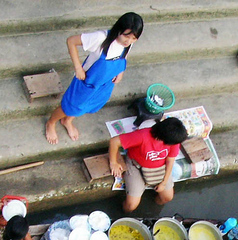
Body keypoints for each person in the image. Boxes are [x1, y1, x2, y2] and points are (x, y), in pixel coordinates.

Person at [45, 12, 144, 144]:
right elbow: (71, 41)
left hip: (106, 83)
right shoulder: (101, 38)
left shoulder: (128, 44)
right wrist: (78, 68)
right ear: (118, 29)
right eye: (126, 36)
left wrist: (121, 72)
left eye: (133, 38)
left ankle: (67, 120)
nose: (129, 41)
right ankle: (51, 123)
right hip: (87, 82)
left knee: (87, 106)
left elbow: (124, 56)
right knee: (70, 106)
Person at [108, 117, 189, 212]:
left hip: (159, 169)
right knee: (131, 206)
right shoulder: (142, 136)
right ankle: (123, 212)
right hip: (136, 166)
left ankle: (154, 206)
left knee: (167, 197)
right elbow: (114, 141)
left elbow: (170, 161)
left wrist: (163, 182)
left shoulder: (173, 140)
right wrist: (113, 163)